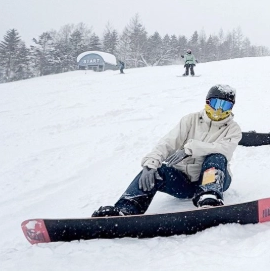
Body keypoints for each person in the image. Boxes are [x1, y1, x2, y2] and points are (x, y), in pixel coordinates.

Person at [91, 85, 242, 216]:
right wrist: (151, 164)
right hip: (185, 182)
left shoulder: (233, 129)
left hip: (215, 179)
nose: (220, 109)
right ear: (208, 102)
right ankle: (126, 209)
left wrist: (189, 149)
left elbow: (225, 149)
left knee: (216, 157)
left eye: (226, 105)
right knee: (156, 171)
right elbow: (168, 142)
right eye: (216, 103)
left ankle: (209, 196)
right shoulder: (190, 120)